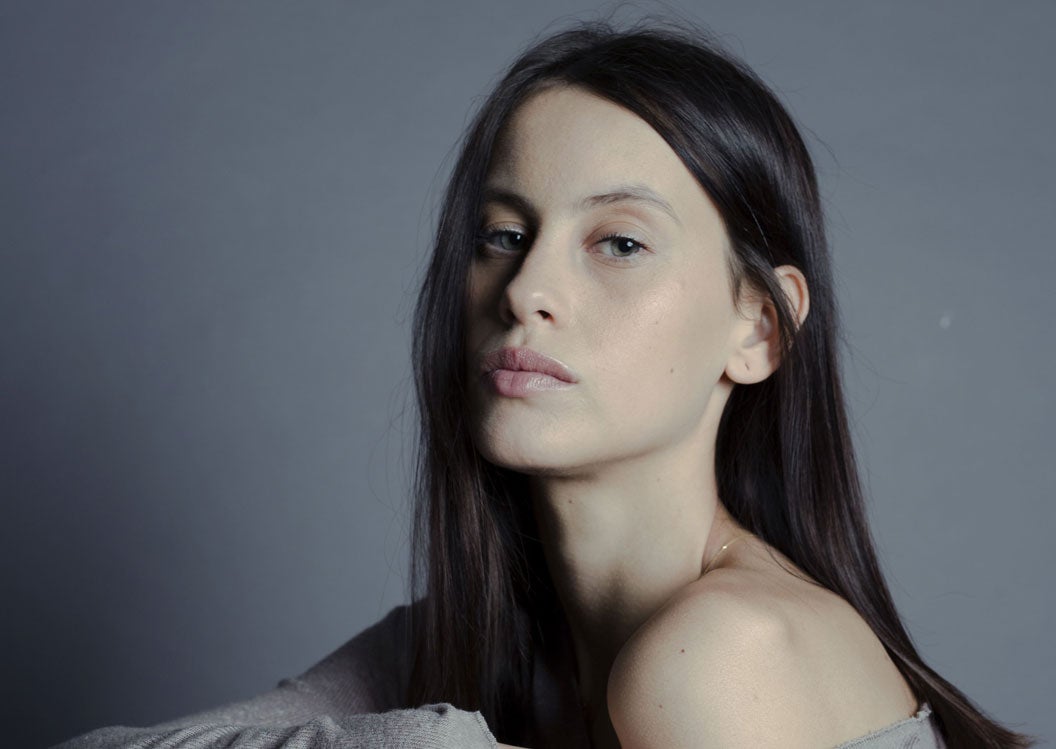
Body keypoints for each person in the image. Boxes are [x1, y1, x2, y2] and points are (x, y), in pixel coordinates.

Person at [56, 20, 1034, 749]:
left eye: (619, 243)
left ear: (758, 328)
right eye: (504, 234)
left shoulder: (719, 656)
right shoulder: (498, 640)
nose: (526, 289)